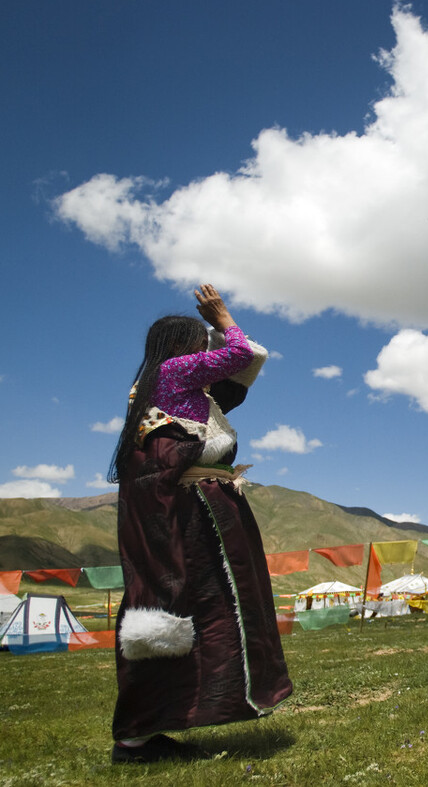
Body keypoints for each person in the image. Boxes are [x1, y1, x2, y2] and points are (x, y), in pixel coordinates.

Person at [108, 284, 293, 764]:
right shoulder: (175, 372)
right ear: (181, 346)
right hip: (193, 517)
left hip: (203, 514)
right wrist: (224, 316)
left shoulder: (184, 393)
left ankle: (158, 725)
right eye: (200, 341)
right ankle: (136, 736)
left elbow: (253, 361)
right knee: (196, 608)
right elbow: (243, 351)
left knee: (212, 612)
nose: (206, 350)